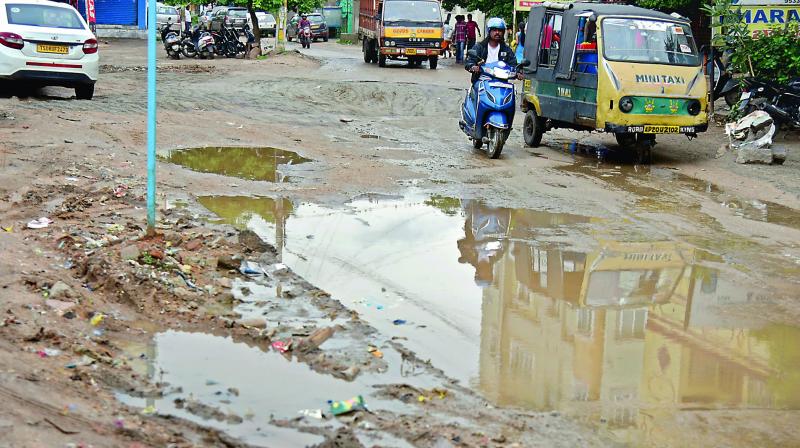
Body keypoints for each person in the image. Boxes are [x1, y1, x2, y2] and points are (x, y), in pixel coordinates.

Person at [465, 17, 520, 83]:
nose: (497, 32)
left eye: (500, 30)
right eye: (494, 30)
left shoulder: (506, 49)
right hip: (481, 80)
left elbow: (513, 64)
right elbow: (470, 61)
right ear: (489, 31)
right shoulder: (479, 47)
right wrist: (473, 66)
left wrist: (518, 72)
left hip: (501, 82)